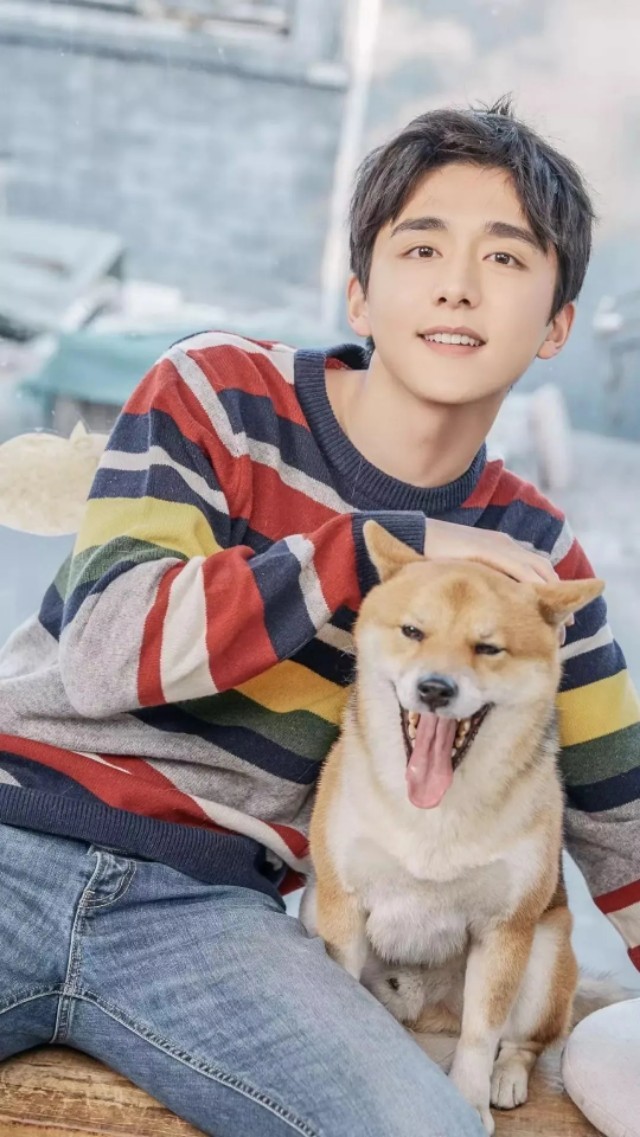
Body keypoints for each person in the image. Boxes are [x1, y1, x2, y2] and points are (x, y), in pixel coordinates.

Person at [0, 96, 638, 1137]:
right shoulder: (217, 392)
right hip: (15, 833)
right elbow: (110, 653)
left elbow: (620, 817)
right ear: (359, 293)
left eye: (505, 258)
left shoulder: (532, 556)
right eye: (421, 247)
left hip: (212, 918)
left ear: (558, 323)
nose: (458, 283)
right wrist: (373, 545)